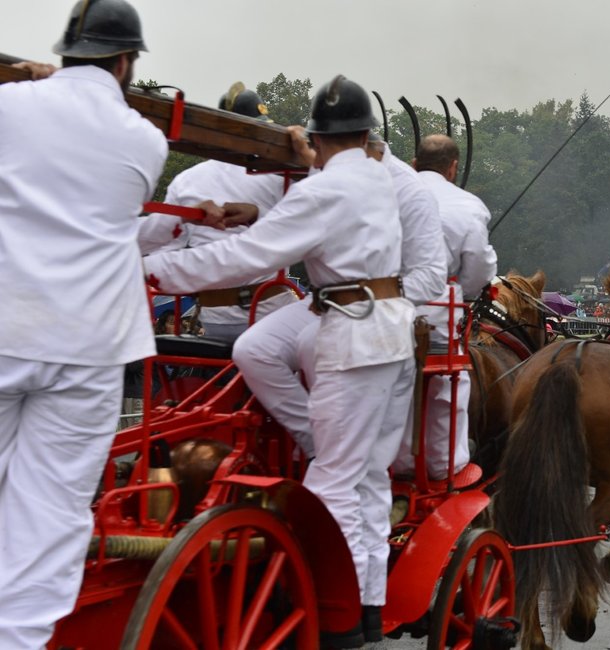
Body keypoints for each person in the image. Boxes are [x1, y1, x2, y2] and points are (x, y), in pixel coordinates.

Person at [142, 74, 414, 648]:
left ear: (316, 137)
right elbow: (310, 213)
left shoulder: (324, 190)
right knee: (365, 479)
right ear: (365, 134)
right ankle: (366, 605)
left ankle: (332, 615)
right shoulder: (372, 176)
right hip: (387, 333)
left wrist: (152, 272)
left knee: (333, 481)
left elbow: (247, 258)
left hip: (353, 332)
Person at [0, 2, 168, 646]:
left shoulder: (12, 103)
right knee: (51, 516)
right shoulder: (145, 139)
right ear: (126, 63)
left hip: (9, 323)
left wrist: (26, 83)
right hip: (90, 344)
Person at [231, 134, 447, 461]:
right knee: (252, 350)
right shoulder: (328, 176)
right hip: (319, 302)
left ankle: (346, 455)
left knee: (312, 342)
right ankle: (318, 444)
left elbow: (431, 277)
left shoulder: (411, 192)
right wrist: (258, 215)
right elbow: (304, 229)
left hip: (380, 310)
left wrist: (364, 297)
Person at [140, 82, 297, 342]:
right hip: (269, 312)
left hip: (215, 315)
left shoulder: (186, 180)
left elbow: (165, 246)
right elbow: (300, 233)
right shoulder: (281, 176)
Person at [389, 134, 497, 479]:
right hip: (435, 318)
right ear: (452, 168)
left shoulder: (388, 193)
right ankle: (446, 463)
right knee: (452, 386)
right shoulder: (469, 206)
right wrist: (458, 291)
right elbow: (479, 271)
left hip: (377, 312)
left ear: (414, 163)